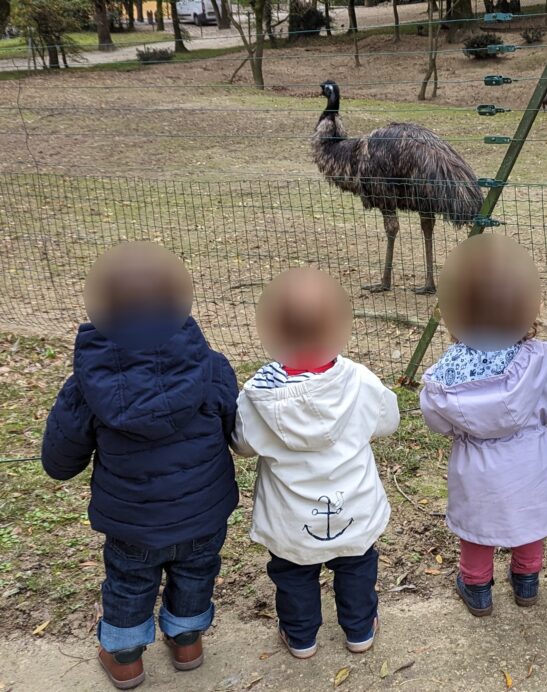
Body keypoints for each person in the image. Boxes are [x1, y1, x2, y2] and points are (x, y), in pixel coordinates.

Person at [41, 243, 239, 690]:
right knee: (195, 573)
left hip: (132, 523)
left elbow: (59, 463)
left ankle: (126, 659)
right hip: (203, 515)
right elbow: (237, 431)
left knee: (129, 583)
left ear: (103, 305)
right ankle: (188, 642)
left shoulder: (85, 384)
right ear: (178, 299)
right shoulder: (212, 368)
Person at [232, 268, 399, 658]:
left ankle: (300, 636)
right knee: (357, 567)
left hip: (291, 516)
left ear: (271, 330)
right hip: (353, 505)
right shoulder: (360, 380)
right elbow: (388, 421)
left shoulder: (258, 394)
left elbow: (241, 444)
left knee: (293, 575)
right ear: (338, 330)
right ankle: (360, 631)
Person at [420, 235, 547, 617]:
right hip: (529, 460)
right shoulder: (541, 357)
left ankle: (477, 589)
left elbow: (435, 418)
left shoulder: (447, 371)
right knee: (528, 521)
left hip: (475, 465)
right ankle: (526, 582)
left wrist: (461, 427)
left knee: (477, 527)